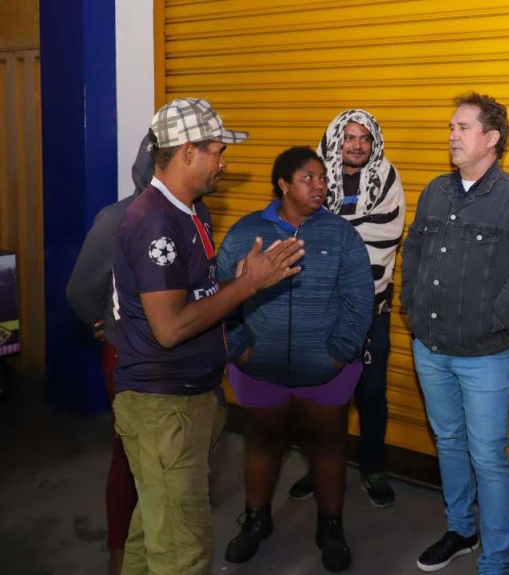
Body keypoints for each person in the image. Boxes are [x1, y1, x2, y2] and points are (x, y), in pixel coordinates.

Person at [110, 98, 305, 575]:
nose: (224, 162)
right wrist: (248, 285)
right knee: (183, 553)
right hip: (163, 407)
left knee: (152, 537)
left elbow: (193, 294)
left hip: (189, 398)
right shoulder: (155, 220)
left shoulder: (191, 211)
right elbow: (170, 327)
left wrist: (234, 282)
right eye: (217, 151)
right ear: (187, 152)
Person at [401, 92, 509, 575]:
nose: (452, 135)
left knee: (488, 458)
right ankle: (462, 530)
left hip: (483, 355)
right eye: (451, 127)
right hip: (430, 347)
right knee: (448, 442)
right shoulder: (435, 192)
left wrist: (490, 318)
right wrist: (411, 308)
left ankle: (496, 559)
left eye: (462, 127)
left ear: (492, 138)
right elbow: (414, 252)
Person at [218, 146, 373, 572]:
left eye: (323, 179)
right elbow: (221, 296)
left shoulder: (341, 236)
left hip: (326, 372)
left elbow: (359, 301)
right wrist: (240, 348)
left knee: (328, 447)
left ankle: (331, 527)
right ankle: (256, 520)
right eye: (309, 178)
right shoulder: (246, 233)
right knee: (261, 445)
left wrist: (337, 355)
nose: (321, 186)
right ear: (283, 184)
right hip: (259, 370)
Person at [288, 109, 405, 508]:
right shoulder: (314, 178)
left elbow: (385, 235)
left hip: (373, 309)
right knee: (320, 396)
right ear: (336, 140)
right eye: (349, 137)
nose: (356, 145)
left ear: (373, 143)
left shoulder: (387, 179)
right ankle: (317, 467)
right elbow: (300, 230)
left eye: (364, 138)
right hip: (320, 309)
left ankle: (373, 468)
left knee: (371, 394)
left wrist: (334, 239)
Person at [65, 131, 153, 575]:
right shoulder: (117, 218)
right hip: (127, 357)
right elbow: (81, 290)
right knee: (129, 455)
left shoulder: (195, 214)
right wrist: (104, 325)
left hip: (176, 359)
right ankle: (119, 553)